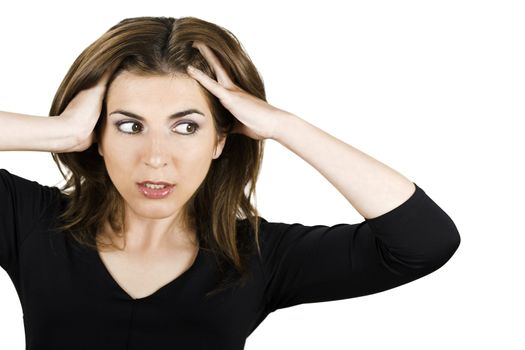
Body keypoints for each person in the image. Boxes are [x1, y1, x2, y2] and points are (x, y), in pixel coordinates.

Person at [0, 16, 461, 350]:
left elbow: (424, 242)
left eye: (186, 127)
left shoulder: (255, 257)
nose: (156, 157)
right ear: (96, 136)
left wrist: (284, 126)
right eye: (129, 126)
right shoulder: (30, 225)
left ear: (221, 139)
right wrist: (59, 131)